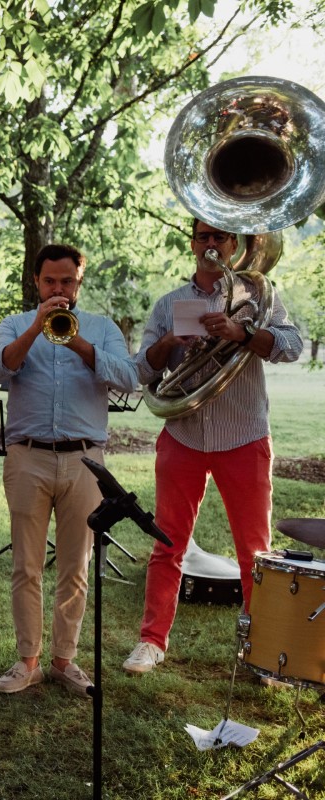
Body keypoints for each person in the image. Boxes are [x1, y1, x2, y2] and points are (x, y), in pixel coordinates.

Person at [122, 219, 303, 675]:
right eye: (203, 237)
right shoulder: (168, 304)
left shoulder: (258, 295)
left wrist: (240, 334)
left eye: (219, 236)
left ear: (233, 243)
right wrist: (170, 341)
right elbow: (143, 371)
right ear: (193, 244)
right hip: (183, 434)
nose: (210, 245)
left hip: (243, 436)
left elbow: (292, 345)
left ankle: (260, 651)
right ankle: (151, 641)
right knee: (168, 544)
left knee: (255, 552)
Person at [0, 243, 136, 697]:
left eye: (66, 281)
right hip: (27, 455)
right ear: (37, 282)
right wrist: (36, 328)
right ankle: (27, 661)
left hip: (85, 459)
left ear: (79, 281)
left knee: (76, 566)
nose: (58, 289)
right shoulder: (14, 324)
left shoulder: (102, 328)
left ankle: (64, 660)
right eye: (50, 281)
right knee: (26, 565)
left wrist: (78, 343)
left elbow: (128, 378)